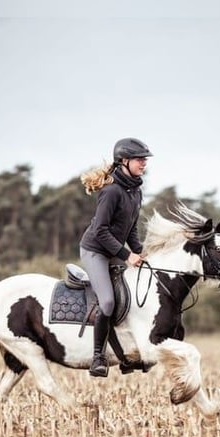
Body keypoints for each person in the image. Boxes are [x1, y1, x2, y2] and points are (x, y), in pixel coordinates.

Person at [79, 137, 152, 377]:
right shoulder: (111, 192)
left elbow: (130, 228)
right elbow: (100, 231)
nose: (144, 164)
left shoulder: (135, 192)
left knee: (139, 291)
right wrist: (125, 255)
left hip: (113, 251)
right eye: (140, 159)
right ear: (124, 161)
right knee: (108, 302)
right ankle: (98, 357)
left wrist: (139, 251)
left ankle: (128, 354)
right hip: (96, 251)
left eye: (145, 160)